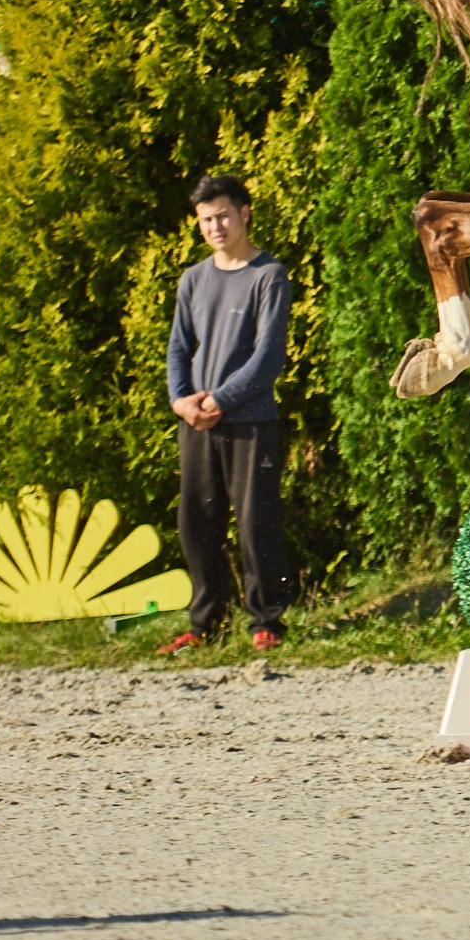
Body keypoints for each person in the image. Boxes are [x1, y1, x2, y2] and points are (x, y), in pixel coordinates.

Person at [159, 173, 296, 654]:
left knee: (256, 521)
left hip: (249, 420)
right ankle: (204, 624)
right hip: (195, 422)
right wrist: (182, 400)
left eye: (222, 216)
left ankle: (266, 620)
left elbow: (268, 358)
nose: (215, 226)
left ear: (244, 213)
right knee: (197, 522)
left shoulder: (268, 276)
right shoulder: (193, 280)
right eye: (205, 219)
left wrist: (219, 400)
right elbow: (178, 347)